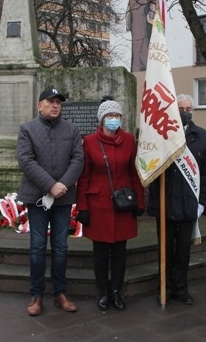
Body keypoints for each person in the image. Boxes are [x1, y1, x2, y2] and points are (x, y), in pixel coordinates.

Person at [16, 87, 85, 317]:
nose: (55, 105)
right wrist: (50, 185)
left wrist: (62, 184)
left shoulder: (72, 129)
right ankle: (36, 295)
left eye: (58, 102)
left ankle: (60, 292)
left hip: (63, 197)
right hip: (37, 197)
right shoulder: (27, 129)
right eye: (50, 101)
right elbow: (26, 160)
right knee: (37, 247)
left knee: (61, 247)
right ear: (39, 105)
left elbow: (78, 159)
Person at [76, 97, 144, 311]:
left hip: (123, 204)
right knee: (101, 253)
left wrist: (140, 201)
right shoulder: (89, 141)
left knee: (120, 252)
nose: (114, 119)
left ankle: (116, 290)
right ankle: (103, 291)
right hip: (98, 205)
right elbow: (84, 176)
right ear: (102, 119)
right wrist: (82, 207)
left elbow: (134, 172)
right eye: (109, 116)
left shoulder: (129, 139)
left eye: (117, 116)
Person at [148, 94, 206, 305]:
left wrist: (203, 202)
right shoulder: (162, 135)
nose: (185, 112)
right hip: (165, 203)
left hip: (189, 204)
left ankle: (181, 287)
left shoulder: (202, 136)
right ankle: (165, 287)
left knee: (184, 250)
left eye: (188, 108)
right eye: (181, 108)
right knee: (165, 250)